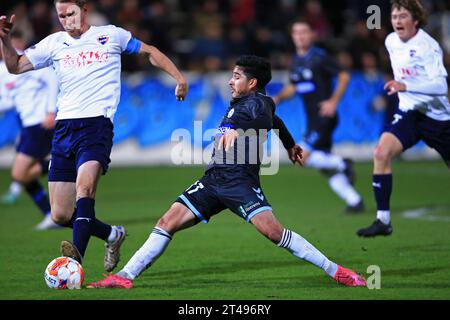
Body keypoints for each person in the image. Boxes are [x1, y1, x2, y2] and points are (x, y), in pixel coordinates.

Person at [87, 55, 366, 289]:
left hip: (239, 183)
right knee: (166, 221)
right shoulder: (255, 103)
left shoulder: (255, 105)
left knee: (274, 233)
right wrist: (290, 145)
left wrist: (232, 129)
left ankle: (335, 270)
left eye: (236, 76)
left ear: (252, 82)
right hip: (213, 180)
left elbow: (256, 118)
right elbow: (275, 121)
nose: (230, 81)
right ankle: (124, 277)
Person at [0, 0, 188, 272]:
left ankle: (74, 265)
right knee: (61, 214)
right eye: (61, 16)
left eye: (71, 14)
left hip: (96, 126)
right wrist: (5, 40)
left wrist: (179, 78)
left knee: (84, 189)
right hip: (64, 130)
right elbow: (15, 66)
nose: (66, 20)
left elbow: (149, 51)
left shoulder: (111, 35)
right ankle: (112, 235)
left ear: (84, 10)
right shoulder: (53, 43)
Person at [357, 0, 450, 237]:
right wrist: (400, 88)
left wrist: (405, 84)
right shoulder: (390, 41)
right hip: (409, 113)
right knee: (381, 153)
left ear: (416, 20)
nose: (397, 21)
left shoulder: (428, 46)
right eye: (394, 16)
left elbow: (441, 84)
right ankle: (383, 220)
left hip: (436, 117)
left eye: (403, 16)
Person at [273, 20, 365, 214]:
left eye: (304, 32)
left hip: (324, 117)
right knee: (325, 166)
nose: (300, 36)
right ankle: (355, 201)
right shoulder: (297, 61)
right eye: (296, 32)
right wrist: (278, 98)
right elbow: (294, 86)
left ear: (312, 35)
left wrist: (333, 101)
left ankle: (343, 163)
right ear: (292, 36)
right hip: (312, 120)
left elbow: (344, 76)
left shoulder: (319, 57)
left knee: (300, 157)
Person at [0, 30, 59, 230]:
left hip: (40, 122)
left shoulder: (27, 61)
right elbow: (6, 100)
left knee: (19, 173)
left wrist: (51, 111)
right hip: (27, 125)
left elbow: (52, 79)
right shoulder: (2, 70)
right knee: (24, 175)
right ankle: (51, 214)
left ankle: (66, 164)